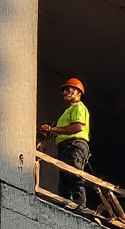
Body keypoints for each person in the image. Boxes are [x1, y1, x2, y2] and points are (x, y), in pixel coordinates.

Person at [38, 78, 90, 209]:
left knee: (74, 173)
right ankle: (66, 202)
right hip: (66, 147)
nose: (66, 91)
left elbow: (78, 127)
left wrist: (54, 129)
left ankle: (79, 202)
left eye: (70, 89)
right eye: (65, 89)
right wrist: (49, 130)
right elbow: (58, 130)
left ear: (79, 94)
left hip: (74, 145)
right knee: (65, 178)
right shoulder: (66, 112)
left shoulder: (78, 107)